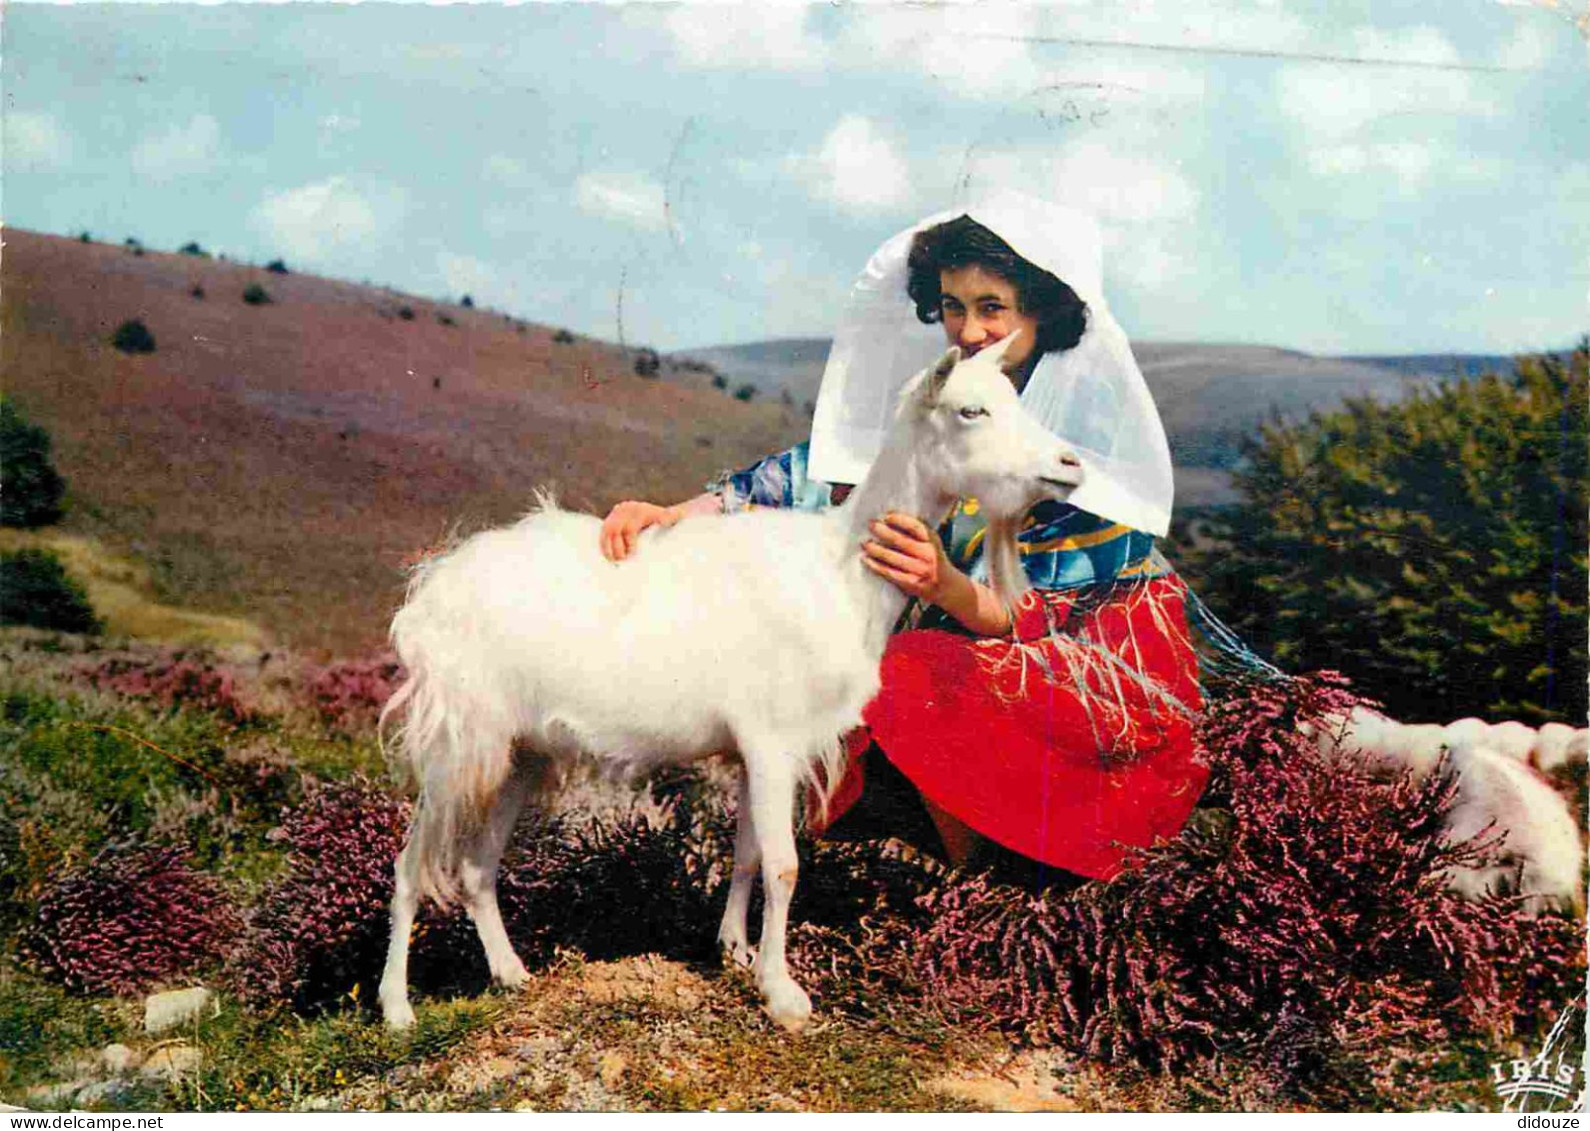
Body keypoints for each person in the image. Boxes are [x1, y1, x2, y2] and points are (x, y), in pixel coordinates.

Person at [600, 192, 1239, 883]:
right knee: (829, 665)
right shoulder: (945, 398)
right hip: (979, 664)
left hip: (1094, 693)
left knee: (901, 672)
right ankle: (978, 881)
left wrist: (944, 585)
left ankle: (998, 893)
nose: (968, 330)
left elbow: (1048, 618)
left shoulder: (1075, 441)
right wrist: (674, 514)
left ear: (1041, 313)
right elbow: (823, 478)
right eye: (953, 307)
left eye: (991, 307)